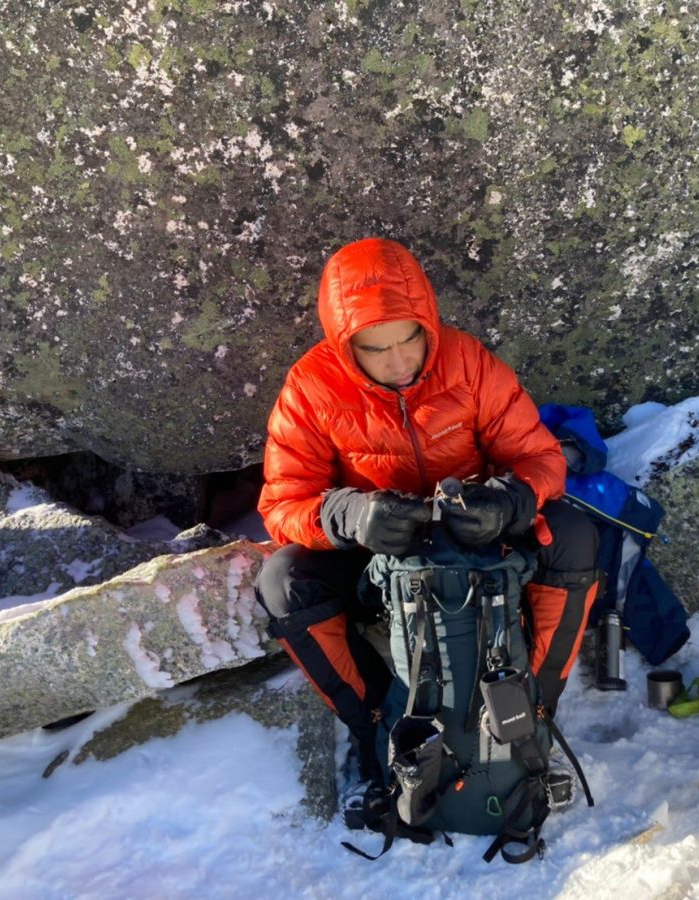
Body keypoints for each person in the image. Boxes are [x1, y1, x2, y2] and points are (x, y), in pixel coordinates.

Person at [254, 237, 598, 819]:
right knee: (283, 581)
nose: (397, 361)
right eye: (374, 347)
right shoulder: (310, 388)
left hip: (476, 534)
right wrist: (347, 516)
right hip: (377, 549)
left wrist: (510, 500)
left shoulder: (467, 361)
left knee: (575, 534)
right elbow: (283, 502)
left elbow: (541, 459)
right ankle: (374, 728)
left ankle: (530, 710)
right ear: (345, 345)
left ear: (428, 324)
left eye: (408, 338)